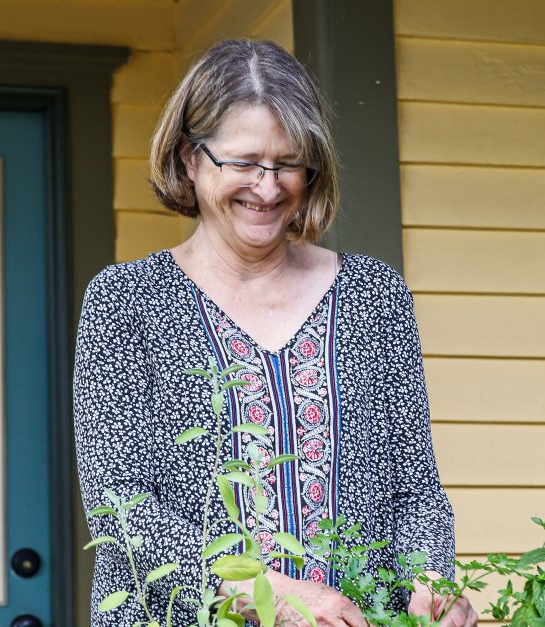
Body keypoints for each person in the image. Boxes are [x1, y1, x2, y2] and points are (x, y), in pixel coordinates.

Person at [74, 38, 478, 626]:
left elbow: (414, 489)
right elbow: (121, 512)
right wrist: (270, 595)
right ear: (189, 157)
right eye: (243, 162)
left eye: (288, 163)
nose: (267, 188)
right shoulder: (126, 302)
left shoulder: (374, 297)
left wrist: (432, 581)